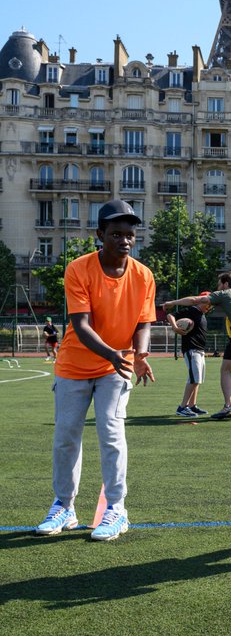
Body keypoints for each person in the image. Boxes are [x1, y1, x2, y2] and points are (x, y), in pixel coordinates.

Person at [35, 199, 156, 542]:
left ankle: (116, 509)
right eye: (116, 234)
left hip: (115, 368)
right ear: (100, 235)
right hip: (74, 365)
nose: (125, 240)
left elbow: (144, 322)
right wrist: (114, 354)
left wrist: (140, 354)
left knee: (111, 434)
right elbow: (81, 324)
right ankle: (64, 506)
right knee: (66, 437)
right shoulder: (78, 269)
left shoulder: (144, 275)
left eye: (130, 234)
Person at [165, 272, 231, 420]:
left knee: (225, 370)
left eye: (219, 284)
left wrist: (173, 303)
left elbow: (195, 300)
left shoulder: (224, 294)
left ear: (226, 284)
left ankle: (228, 407)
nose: (218, 287)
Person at [166, 293, 211, 417]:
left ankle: (192, 405)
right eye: (208, 303)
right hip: (192, 349)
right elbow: (170, 315)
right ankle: (182, 407)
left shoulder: (201, 314)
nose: (209, 306)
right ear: (200, 301)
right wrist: (175, 327)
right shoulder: (192, 310)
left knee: (197, 379)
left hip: (199, 350)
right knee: (194, 378)